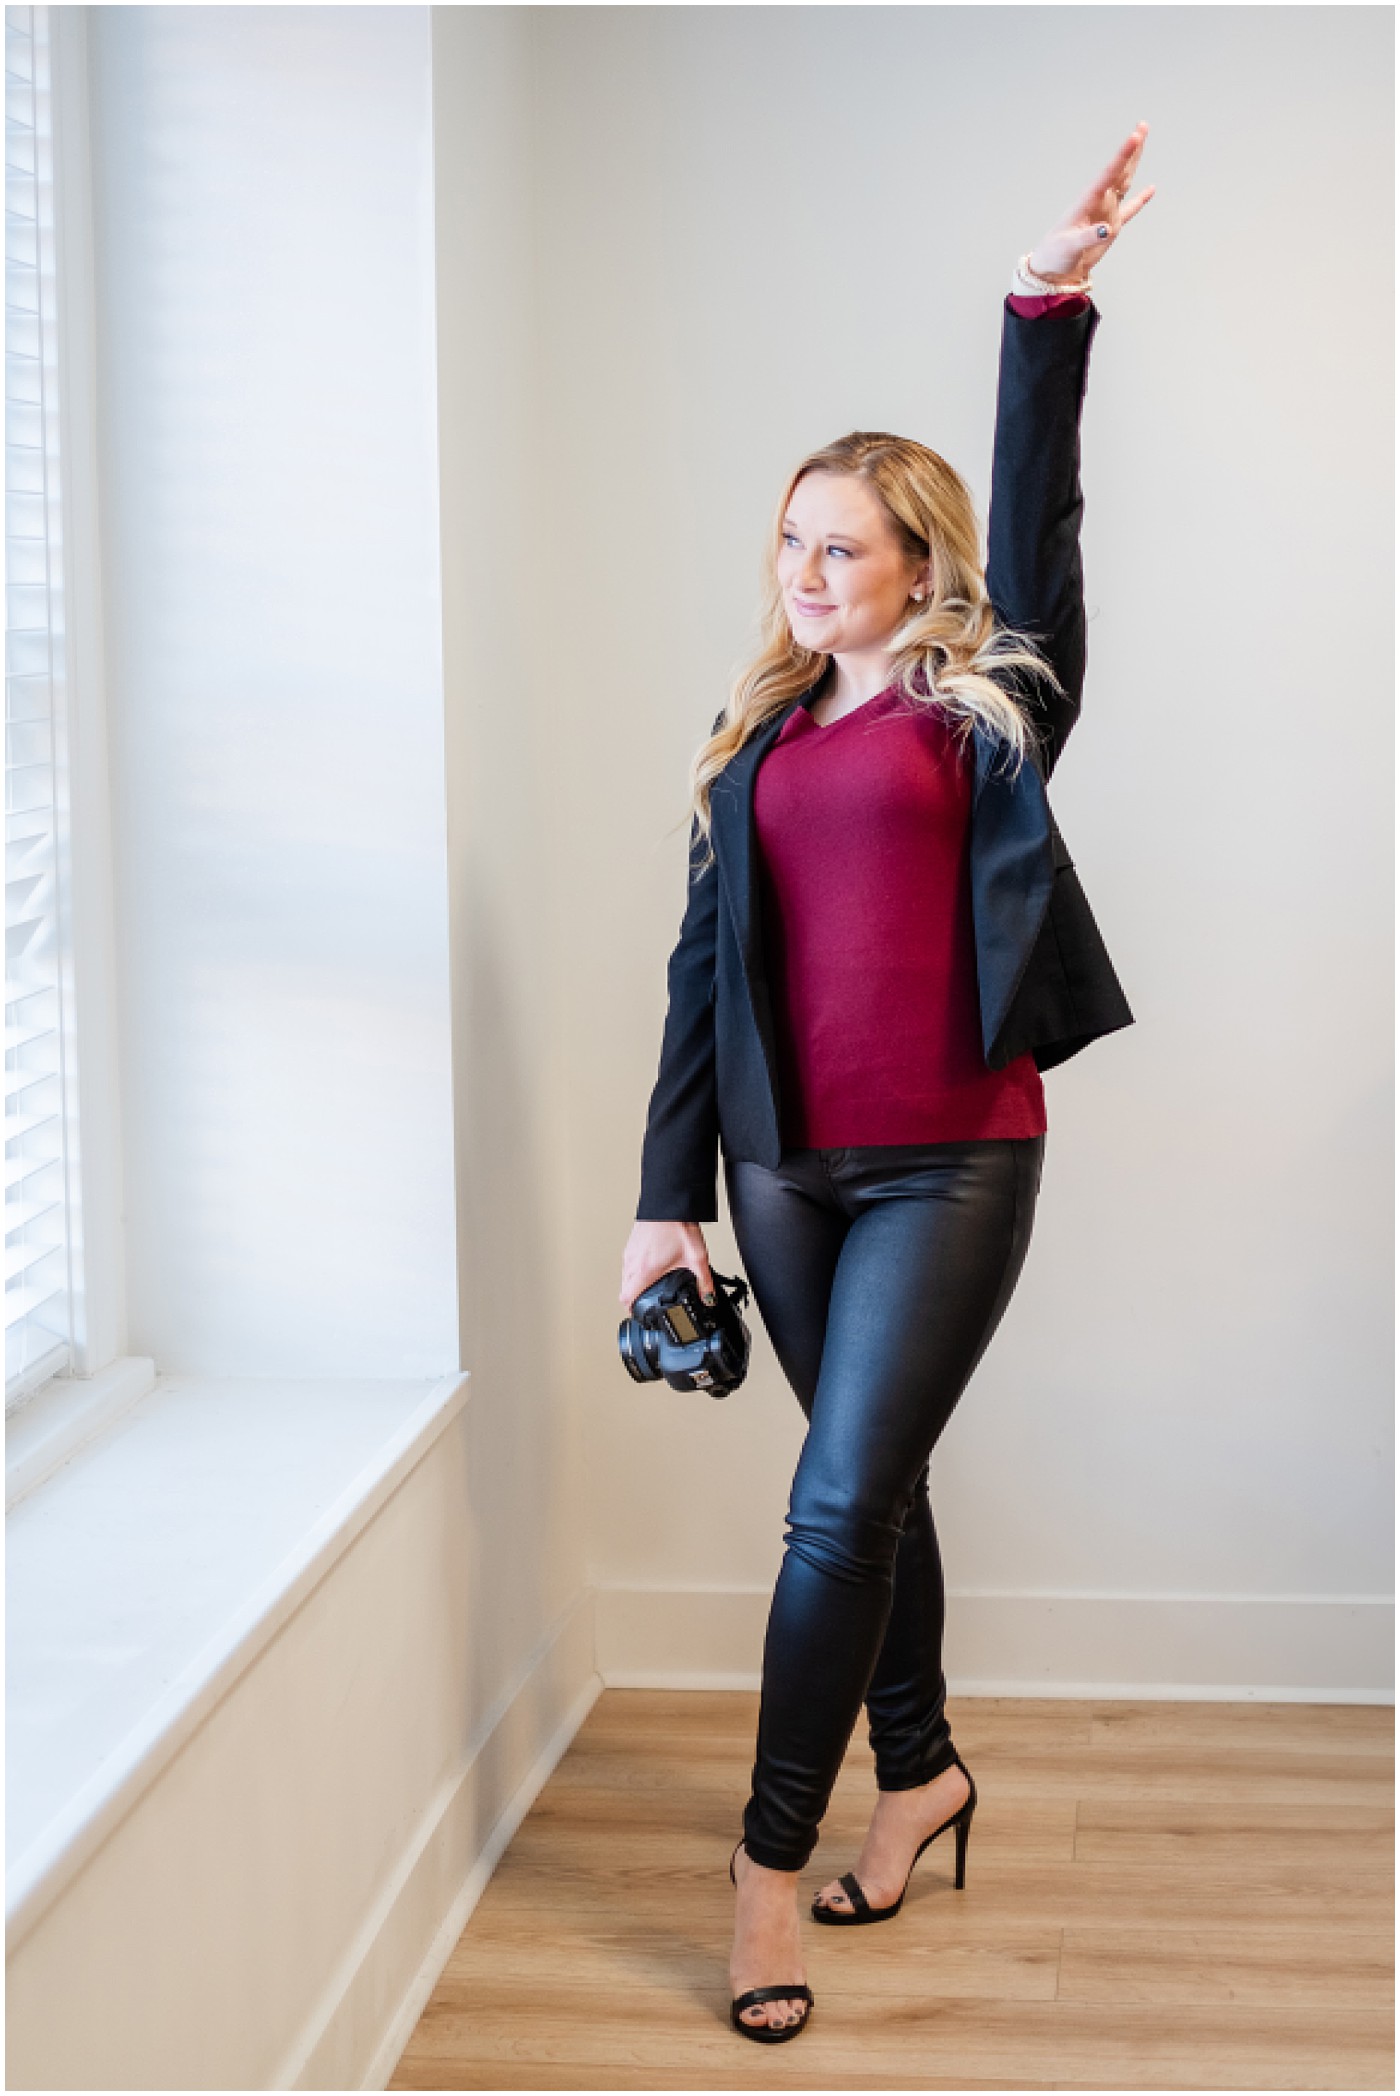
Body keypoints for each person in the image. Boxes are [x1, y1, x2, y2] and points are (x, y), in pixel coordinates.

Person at [618, 123, 1154, 2045]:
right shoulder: (752, 735)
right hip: (780, 1171)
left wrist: (1044, 304)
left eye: (842, 542)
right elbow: (699, 978)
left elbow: (1046, 509)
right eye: (788, 538)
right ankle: (919, 1774)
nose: (806, 568)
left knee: (833, 1515)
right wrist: (662, 1195)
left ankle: (764, 1877)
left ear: (920, 560)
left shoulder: (988, 701)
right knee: (880, 1489)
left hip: (949, 1163)